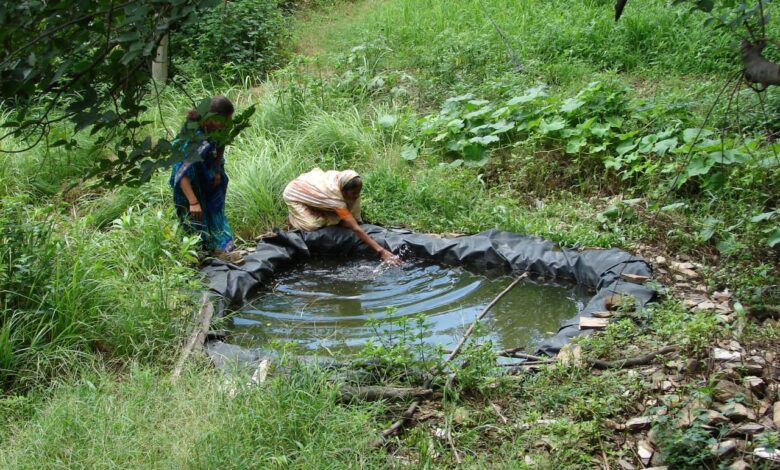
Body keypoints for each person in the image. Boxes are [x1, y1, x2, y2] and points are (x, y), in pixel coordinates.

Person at [169, 95, 239, 261]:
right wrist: (193, 202)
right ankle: (197, 254)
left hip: (207, 172)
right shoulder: (192, 135)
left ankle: (220, 247)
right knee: (194, 216)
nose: (226, 125)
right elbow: (181, 172)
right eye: (223, 121)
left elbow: (221, 144)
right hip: (189, 180)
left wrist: (216, 170)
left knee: (214, 208)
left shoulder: (218, 128)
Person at [283, 168, 401, 265]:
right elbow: (355, 228)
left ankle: (324, 210)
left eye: (358, 192)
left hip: (315, 189)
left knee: (346, 218)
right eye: (353, 193)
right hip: (296, 193)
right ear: (343, 192)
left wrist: (353, 220)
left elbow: (355, 218)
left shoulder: (345, 181)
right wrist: (381, 251)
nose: (357, 196)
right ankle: (293, 218)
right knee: (313, 225)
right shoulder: (334, 195)